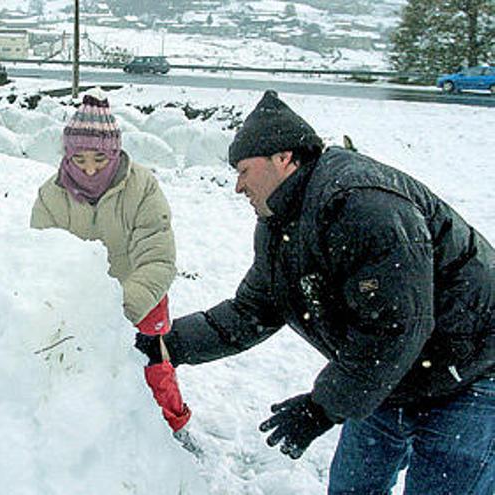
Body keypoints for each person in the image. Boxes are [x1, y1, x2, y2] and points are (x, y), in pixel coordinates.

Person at [135, 89, 495, 494]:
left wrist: (320, 408)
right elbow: (252, 311)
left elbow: (396, 326)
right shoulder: (280, 223)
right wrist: (165, 346)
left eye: (243, 170)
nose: (238, 186)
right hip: (385, 379)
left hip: (469, 374)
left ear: (283, 159)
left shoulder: (363, 206)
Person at [30, 90, 196, 450]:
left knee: (153, 363)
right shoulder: (50, 196)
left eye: (100, 158)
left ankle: (173, 426)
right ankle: (100, 434)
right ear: (67, 155)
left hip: (140, 296)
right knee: (83, 370)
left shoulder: (142, 187)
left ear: (115, 152)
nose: (90, 169)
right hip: (78, 304)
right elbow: (41, 257)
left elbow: (157, 257)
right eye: (80, 158)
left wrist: (119, 309)